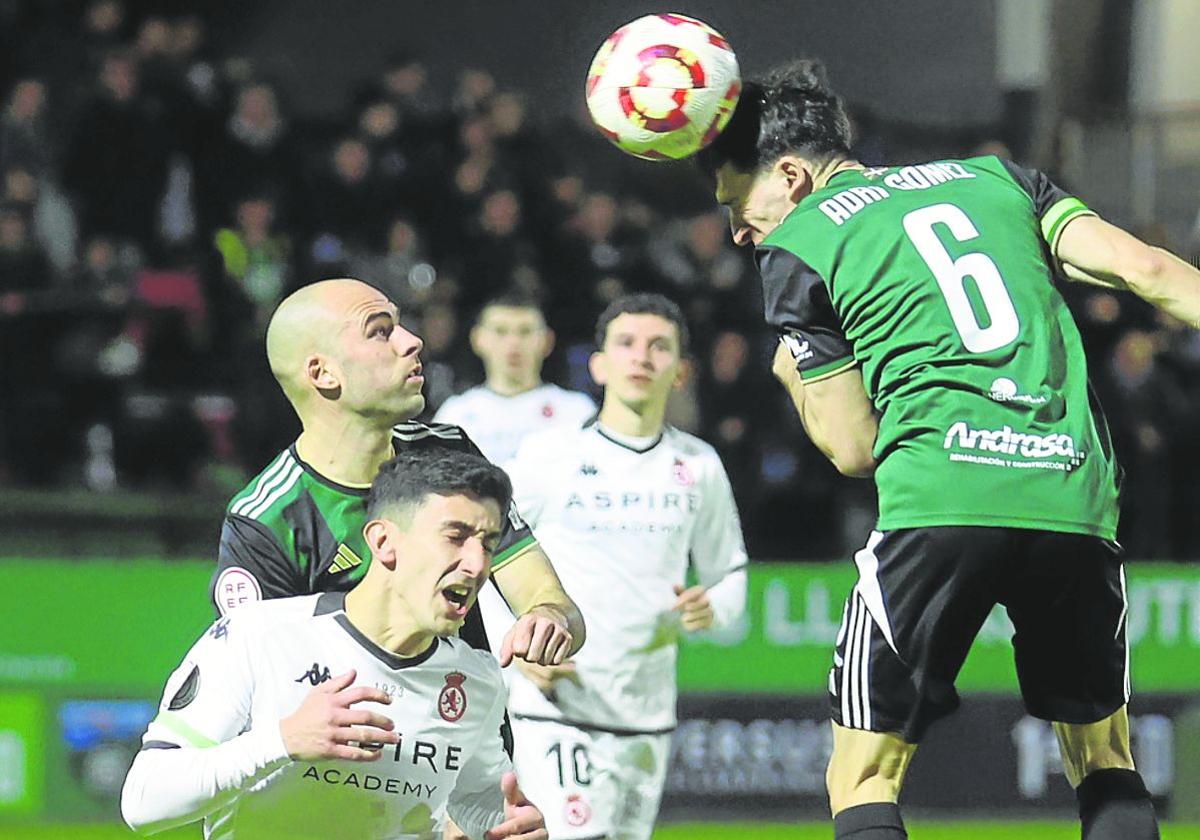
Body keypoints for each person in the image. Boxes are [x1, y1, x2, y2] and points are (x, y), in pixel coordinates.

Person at [699, 59, 1200, 840]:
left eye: (739, 203)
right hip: (1069, 495)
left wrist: (795, 375)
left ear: (793, 176)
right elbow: (1149, 271)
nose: (737, 228)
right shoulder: (1001, 180)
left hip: (941, 500)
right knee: (1104, 758)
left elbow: (853, 447)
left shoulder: (799, 243)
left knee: (861, 773)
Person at [122, 448, 548, 840]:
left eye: (487, 545)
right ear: (383, 542)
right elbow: (144, 801)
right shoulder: (259, 636)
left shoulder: (476, 678)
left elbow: (480, 804)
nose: (476, 565)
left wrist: (507, 827)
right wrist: (283, 741)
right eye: (455, 537)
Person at [212, 278, 585, 678]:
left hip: (470, 733)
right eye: (380, 332)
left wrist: (548, 618)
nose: (412, 342)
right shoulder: (266, 521)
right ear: (323, 373)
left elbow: (550, 600)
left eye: (400, 325)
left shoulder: (450, 453)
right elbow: (258, 681)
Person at [500, 293, 748, 840]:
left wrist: (714, 608)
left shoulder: (697, 465)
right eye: (627, 344)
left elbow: (729, 573)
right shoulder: (550, 456)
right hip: (557, 704)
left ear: (681, 371)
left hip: (647, 714)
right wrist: (515, 648)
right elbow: (493, 554)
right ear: (599, 364)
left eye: (659, 347)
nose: (642, 357)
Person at [434, 290, 595, 465]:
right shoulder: (455, 415)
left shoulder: (576, 411)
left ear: (547, 340)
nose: (513, 343)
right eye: (500, 331)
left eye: (525, 331)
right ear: (478, 339)